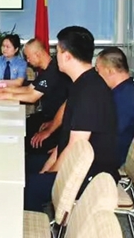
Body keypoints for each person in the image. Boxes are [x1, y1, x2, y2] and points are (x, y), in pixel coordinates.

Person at [23, 26, 118, 212]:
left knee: (29, 187)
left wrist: (49, 173)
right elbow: (65, 139)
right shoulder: (81, 83)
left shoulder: (89, 93)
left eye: (57, 51)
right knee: (26, 166)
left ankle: (36, 228)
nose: (55, 56)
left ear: (66, 56)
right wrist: (49, 165)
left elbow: (75, 148)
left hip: (92, 173)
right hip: (77, 159)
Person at [0, 38, 71, 158]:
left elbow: (32, 97)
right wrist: (3, 90)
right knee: (18, 128)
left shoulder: (53, 71)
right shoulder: (46, 70)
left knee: (23, 138)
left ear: (37, 54)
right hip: (48, 117)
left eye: (28, 57)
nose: (27, 60)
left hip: (57, 122)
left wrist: (4, 95)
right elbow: (29, 89)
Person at [95, 47, 134, 167]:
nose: (97, 74)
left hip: (111, 158)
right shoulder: (124, 90)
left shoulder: (125, 97)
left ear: (110, 71)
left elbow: (110, 133)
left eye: (98, 70)